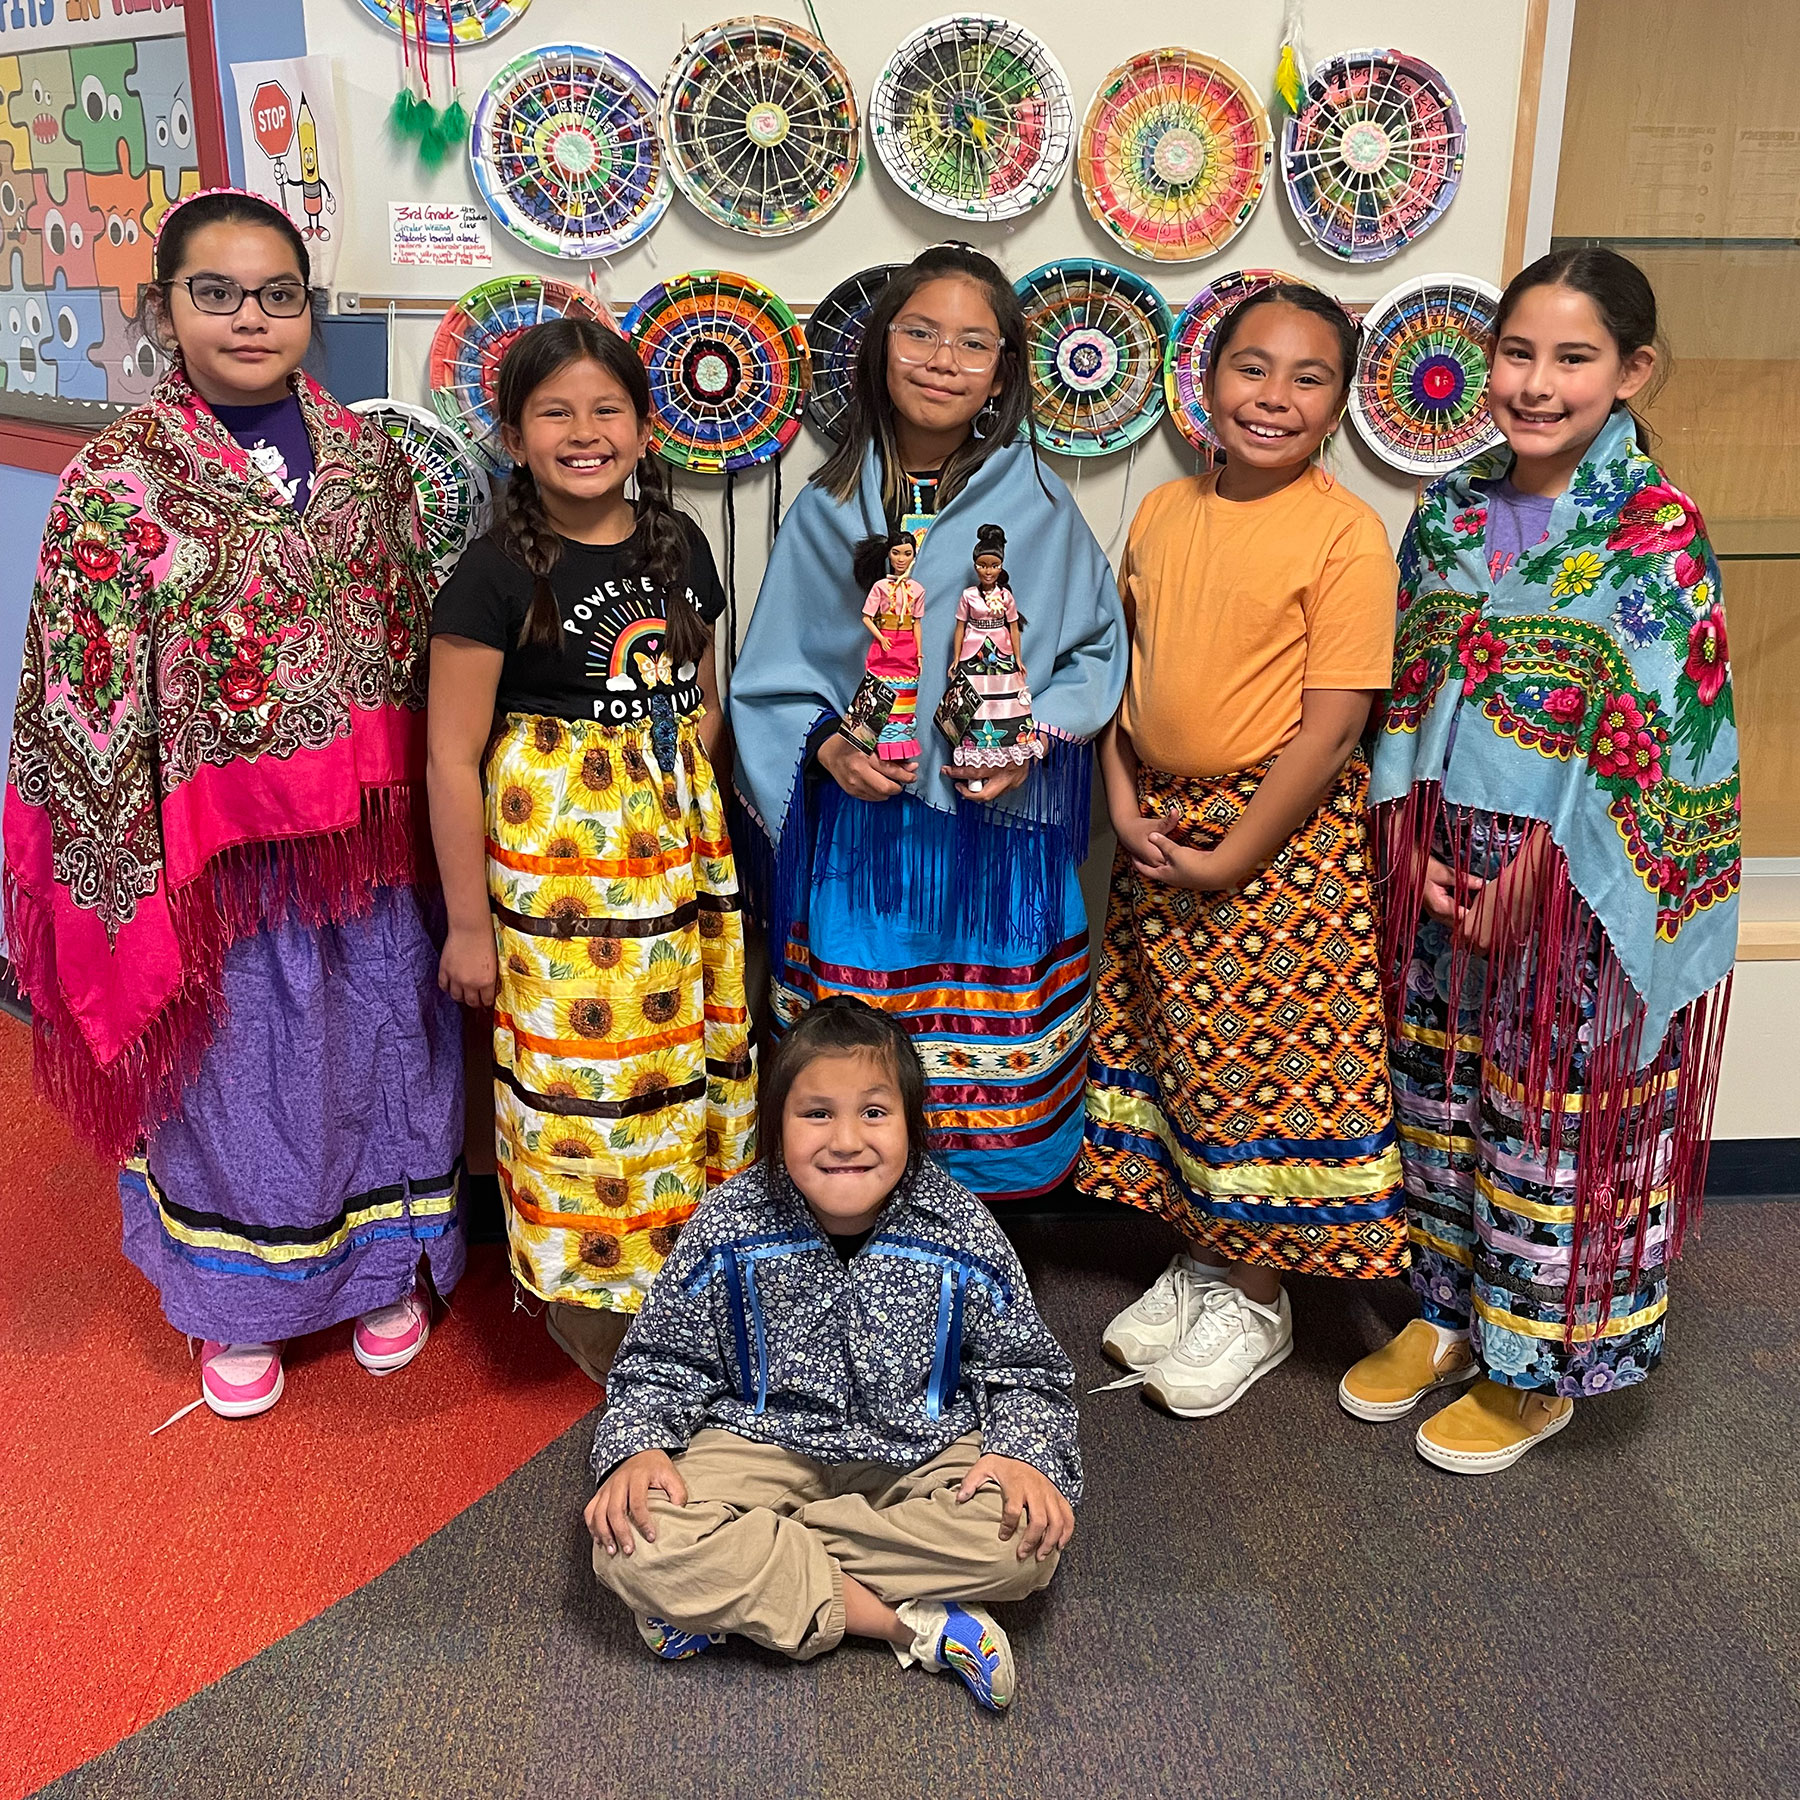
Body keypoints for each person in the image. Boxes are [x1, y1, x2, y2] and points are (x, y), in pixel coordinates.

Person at [3, 188, 463, 1418]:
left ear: (309, 311)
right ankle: (238, 1301)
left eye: (278, 294)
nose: (250, 318)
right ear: (164, 310)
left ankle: (386, 1266)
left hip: (367, 853)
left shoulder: (368, 461)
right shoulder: (114, 481)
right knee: (243, 1070)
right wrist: (126, 859)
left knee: (385, 1040)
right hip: (220, 870)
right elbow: (82, 692)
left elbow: (408, 638)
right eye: (216, 293)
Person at [1338, 247, 1739, 1473]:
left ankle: (1539, 1365)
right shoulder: (1455, 507)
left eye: (1573, 358)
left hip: (1580, 887)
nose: (1536, 383)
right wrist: (1409, 839)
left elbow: (1657, 740)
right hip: (1444, 856)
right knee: (1442, 1092)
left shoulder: (1655, 536)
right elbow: (1411, 687)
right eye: (1518, 353)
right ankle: (1449, 1312)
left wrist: (1539, 881)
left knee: (1550, 1121)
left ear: (1632, 372)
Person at [729, 243, 1125, 1202]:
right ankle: (854, 1239)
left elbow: (1093, 653)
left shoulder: (1040, 505)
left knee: (993, 1079)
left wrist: (1031, 744)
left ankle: (984, 1245)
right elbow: (774, 676)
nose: (944, 360)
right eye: (920, 333)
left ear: (1003, 369)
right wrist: (831, 749)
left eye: (973, 343)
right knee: (855, 1070)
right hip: (865, 839)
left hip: (994, 845)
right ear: (880, 346)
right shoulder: (828, 505)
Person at [1077, 284, 1406, 1419]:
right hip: (1160, 823)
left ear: (1339, 403)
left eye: (1309, 378)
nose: (1274, 397)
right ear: (1207, 382)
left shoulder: (1345, 534)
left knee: (1262, 1074)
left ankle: (1259, 1297)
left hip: (1278, 840)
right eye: (1252, 368)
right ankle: (1207, 1256)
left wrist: (1231, 858)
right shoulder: (1163, 511)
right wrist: (1121, 802)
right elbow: (1118, 681)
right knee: (1181, 1057)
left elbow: (1332, 729)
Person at [585, 996, 1079, 1712]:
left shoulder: (960, 1226)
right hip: (761, 1442)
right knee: (632, 1542)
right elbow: (660, 1360)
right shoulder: (727, 1221)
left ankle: (746, 1568)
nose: (846, 1139)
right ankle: (907, 1623)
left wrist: (1025, 1456)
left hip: (921, 1450)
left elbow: (1027, 1370)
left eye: (874, 1112)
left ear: (911, 1124)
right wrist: (637, 1449)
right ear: (777, 1125)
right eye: (817, 1113)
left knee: (1025, 1543)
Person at [428, 319, 756, 1388]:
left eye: (607, 408)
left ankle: (680, 1279)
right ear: (513, 437)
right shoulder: (491, 574)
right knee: (582, 1088)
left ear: (646, 427)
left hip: (677, 877)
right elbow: (448, 758)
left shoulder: (681, 545)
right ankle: (594, 1310)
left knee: (681, 1073)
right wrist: (469, 926)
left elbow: (703, 702)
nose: (584, 432)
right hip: (560, 897)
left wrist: (689, 822)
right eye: (554, 412)